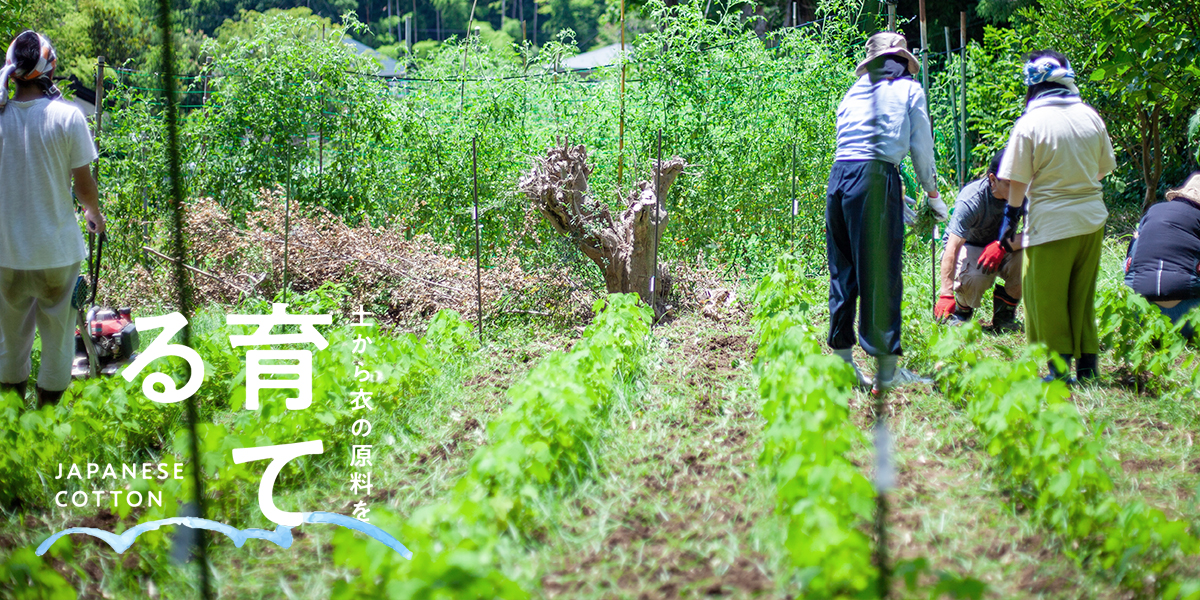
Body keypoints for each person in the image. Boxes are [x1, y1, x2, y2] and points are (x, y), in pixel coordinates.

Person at [826, 32, 941, 392]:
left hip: (839, 180)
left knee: (843, 272)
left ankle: (843, 366)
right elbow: (921, 149)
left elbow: (853, 144)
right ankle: (887, 372)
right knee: (882, 274)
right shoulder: (909, 90)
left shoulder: (853, 92)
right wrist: (932, 194)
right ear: (904, 62)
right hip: (875, 179)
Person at [995, 50, 1116, 382]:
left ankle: (1059, 372)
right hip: (1092, 221)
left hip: (1051, 225)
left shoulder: (1031, 123)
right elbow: (1103, 169)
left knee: (1046, 299)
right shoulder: (1090, 117)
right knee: (1081, 295)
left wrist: (1010, 221)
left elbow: (1017, 180)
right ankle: (1089, 369)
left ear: (1033, 86)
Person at [0, 31, 104, 407]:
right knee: (58, 337)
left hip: (7, 253)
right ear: (51, 68)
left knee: (11, 339)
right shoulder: (67, 117)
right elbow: (83, 185)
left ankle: (11, 423)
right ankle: (44, 423)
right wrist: (93, 213)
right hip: (57, 253)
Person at [934, 151, 1023, 331]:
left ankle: (1005, 313)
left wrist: (1002, 246)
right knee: (974, 278)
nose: (1016, 190)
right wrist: (946, 294)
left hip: (1004, 246)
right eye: (1008, 184)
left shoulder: (1025, 194)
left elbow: (1038, 232)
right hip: (970, 246)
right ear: (992, 179)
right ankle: (962, 310)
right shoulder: (972, 199)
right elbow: (952, 246)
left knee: (1029, 260)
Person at [1124, 172, 1200, 340]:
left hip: (1142, 317)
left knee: (1132, 259)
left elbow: (1130, 259)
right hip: (1186, 319)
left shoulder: (1154, 210)